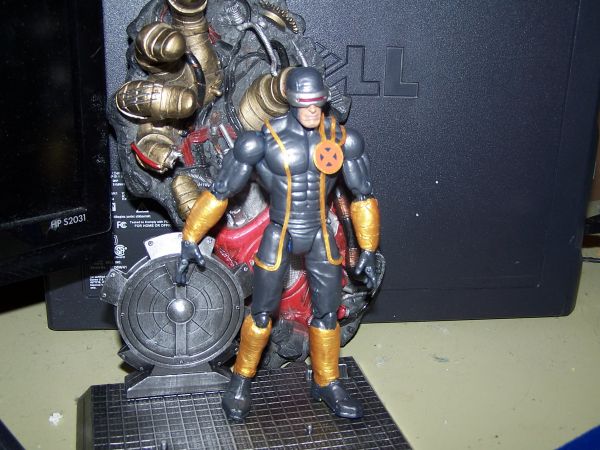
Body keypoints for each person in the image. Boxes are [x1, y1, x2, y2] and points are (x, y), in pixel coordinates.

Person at [176, 66, 380, 421]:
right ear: (290, 100)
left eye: (317, 103)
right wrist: (191, 237)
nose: (312, 110)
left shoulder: (341, 139)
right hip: (280, 231)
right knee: (261, 313)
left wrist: (369, 249)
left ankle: (326, 380)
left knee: (327, 313)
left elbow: (362, 194)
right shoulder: (260, 142)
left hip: (319, 233)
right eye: (304, 102)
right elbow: (221, 191)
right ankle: (241, 381)